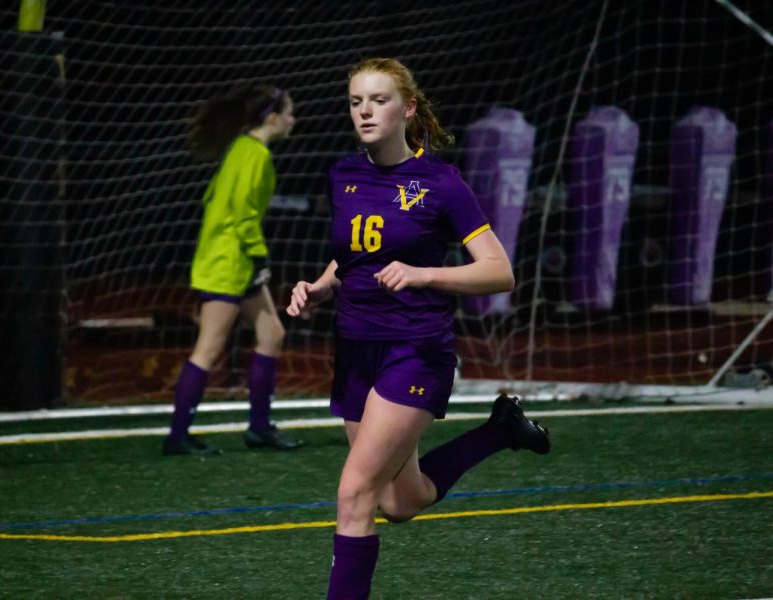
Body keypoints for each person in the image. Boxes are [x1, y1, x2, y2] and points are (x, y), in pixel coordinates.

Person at [286, 58, 550, 599]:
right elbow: (353, 256)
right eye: (356, 100)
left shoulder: (441, 183)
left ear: (407, 109)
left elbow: (500, 272)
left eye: (378, 100)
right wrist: (318, 287)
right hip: (356, 350)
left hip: (416, 351)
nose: (364, 110)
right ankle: (501, 429)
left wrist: (425, 273)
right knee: (400, 502)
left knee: (354, 493)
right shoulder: (342, 174)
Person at [162, 83, 303, 456]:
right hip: (230, 264)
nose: (293, 118)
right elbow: (242, 215)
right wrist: (258, 258)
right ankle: (177, 436)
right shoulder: (254, 154)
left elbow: (216, 202)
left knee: (271, 333)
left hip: (232, 260)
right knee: (208, 349)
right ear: (272, 118)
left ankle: (259, 428)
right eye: (289, 111)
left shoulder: (242, 148)